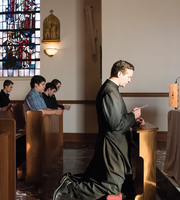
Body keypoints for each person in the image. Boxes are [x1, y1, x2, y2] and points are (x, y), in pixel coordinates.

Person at [53, 60, 145, 200]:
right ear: (120, 74)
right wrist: (133, 115)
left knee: (110, 179)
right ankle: (71, 187)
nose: (130, 80)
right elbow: (115, 124)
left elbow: (116, 118)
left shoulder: (112, 89)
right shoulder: (110, 91)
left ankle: (71, 180)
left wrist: (134, 120)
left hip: (116, 144)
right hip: (112, 145)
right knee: (112, 186)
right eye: (128, 77)